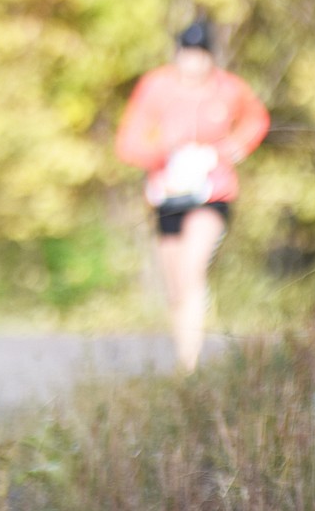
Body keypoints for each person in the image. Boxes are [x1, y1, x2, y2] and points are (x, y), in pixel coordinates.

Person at [114, 20, 269, 373]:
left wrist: (235, 147)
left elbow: (256, 119)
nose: (193, 65)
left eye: (200, 57)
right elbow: (128, 142)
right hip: (169, 192)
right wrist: (162, 152)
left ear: (210, 58)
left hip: (211, 191)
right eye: (187, 56)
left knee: (192, 268)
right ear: (177, 55)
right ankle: (184, 359)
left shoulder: (228, 89)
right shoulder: (157, 87)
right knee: (175, 284)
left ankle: (191, 363)